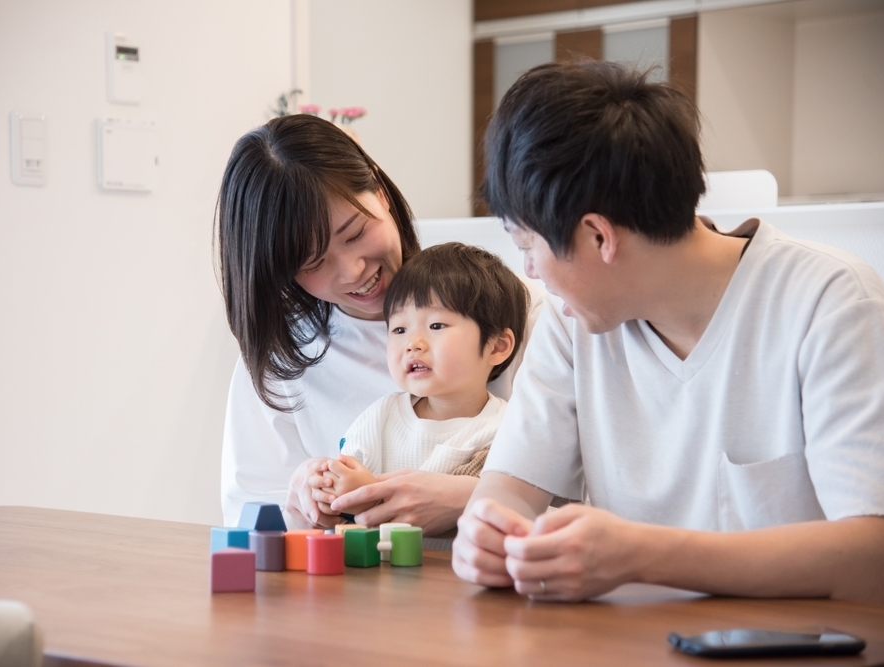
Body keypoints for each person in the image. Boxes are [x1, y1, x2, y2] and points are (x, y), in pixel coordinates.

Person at [453, 61, 884, 602]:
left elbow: (872, 555)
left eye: (527, 247)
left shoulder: (831, 300)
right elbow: (509, 488)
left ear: (597, 236)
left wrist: (643, 555)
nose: (530, 272)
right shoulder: (575, 322)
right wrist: (488, 534)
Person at [216, 114, 543, 534]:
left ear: (379, 189)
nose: (353, 271)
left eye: (355, 234)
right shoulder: (283, 356)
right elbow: (249, 518)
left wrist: (468, 498)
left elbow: (585, 499)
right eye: (314, 263)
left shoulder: (513, 307)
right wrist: (299, 502)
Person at [311, 242, 529, 518]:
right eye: (399, 329)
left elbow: (505, 503)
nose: (413, 344)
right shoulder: (383, 415)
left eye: (436, 326)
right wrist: (332, 485)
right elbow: (346, 474)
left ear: (497, 346)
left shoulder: (506, 427)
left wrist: (371, 493)